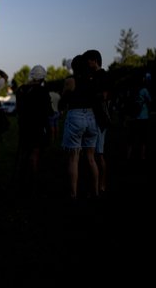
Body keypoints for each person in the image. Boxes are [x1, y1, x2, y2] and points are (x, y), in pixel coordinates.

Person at [60, 54, 99, 200]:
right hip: (91, 117)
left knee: (73, 158)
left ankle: (73, 194)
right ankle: (95, 191)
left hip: (76, 116)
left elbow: (63, 101)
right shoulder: (93, 80)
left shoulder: (71, 81)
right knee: (91, 158)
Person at [13, 65, 52, 198]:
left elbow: (18, 109)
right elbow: (48, 111)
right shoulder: (42, 91)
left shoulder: (21, 90)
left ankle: (20, 181)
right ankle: (33, 184)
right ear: (42, 78)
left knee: (24, 153)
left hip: (24, 125)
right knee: (34, 154)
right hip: (37, 126)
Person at [84, 49, 112, 195]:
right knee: (91, 153)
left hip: (100, 119)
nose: (87, 63)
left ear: (95, 60)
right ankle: (94, 182)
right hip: (90, 117)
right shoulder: (90, 76)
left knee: (99, 154)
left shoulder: (103, 75)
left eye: (88, 60)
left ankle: (102, 183)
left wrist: (92, 96)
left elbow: (105, 96)